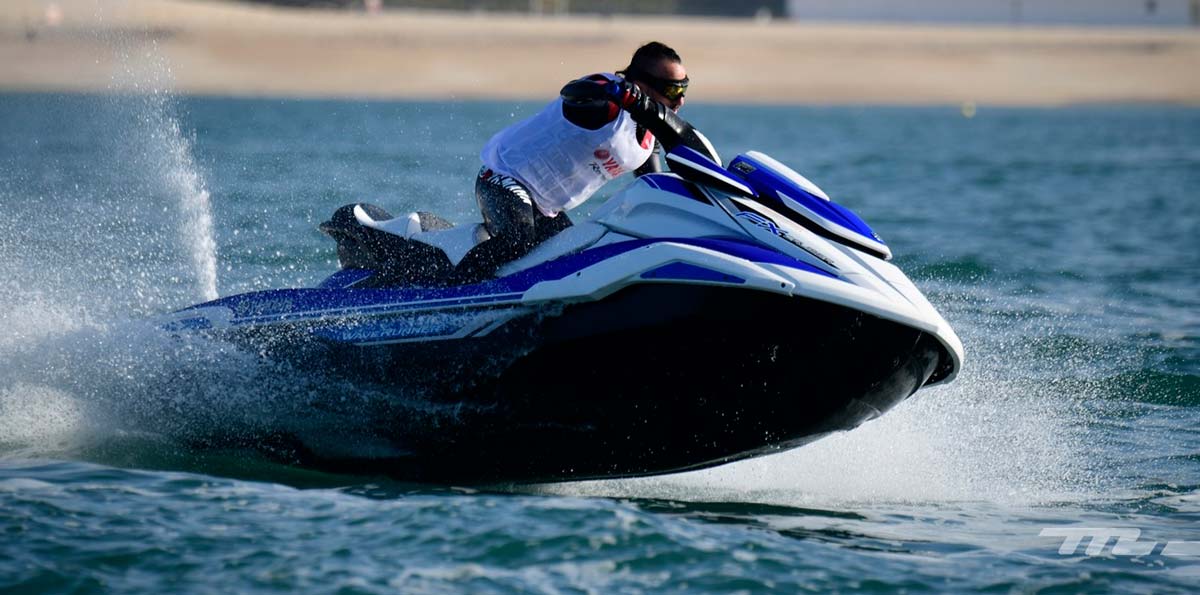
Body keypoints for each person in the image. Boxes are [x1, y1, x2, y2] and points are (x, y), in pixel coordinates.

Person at [456, 41, 706, 282]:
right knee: (518, 239)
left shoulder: (650, 135)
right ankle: (447, 288)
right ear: (642, 84)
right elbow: (572, 93)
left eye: (684, 89)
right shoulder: (607, 101)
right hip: (504, 177)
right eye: (673, 90)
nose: (680, 100)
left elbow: (653, 182)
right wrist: (626, 97)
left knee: (569, 262)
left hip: (546, 209)